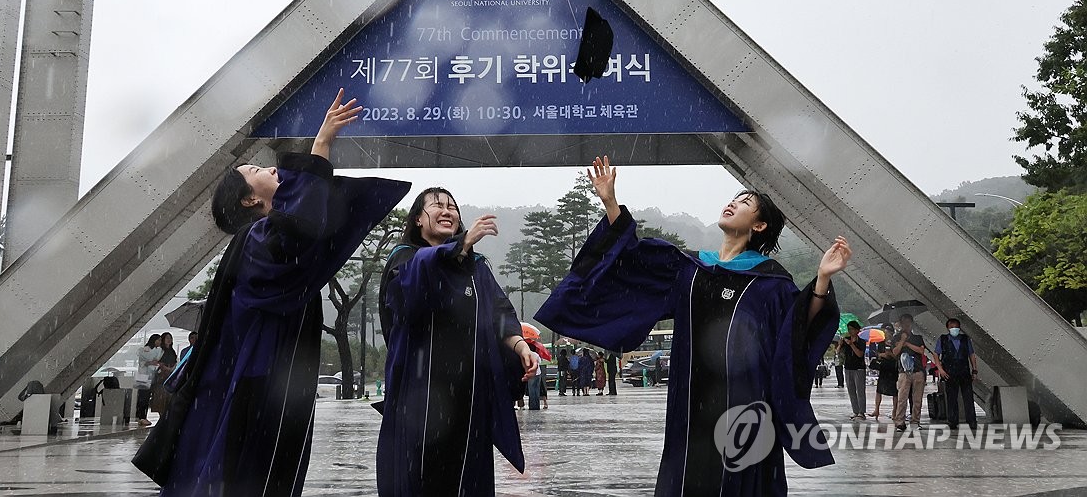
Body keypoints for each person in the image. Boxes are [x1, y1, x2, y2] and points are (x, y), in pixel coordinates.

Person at [138, 90, 410, 497]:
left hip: (274, 385)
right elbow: (301, 227)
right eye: (255, 170)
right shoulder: (257, 241)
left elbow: (309, 225)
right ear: (250, 199)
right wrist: (320, 147)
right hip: (259, 386)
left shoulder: (266, 241)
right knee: (251, 477)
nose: (268, 168)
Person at [536, 156, 848, 496]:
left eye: (745, 203)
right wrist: (610, 202)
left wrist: (821, 280)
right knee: (688, 479)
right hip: (691, 404)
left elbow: (798, 327)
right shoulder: (690, 268)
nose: (732, 203)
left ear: (759, 226)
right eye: (733, 199)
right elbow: (634, 261)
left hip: (745, 405)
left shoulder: (769, 282)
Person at [376, 187, 538, 497]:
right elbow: (410, 292)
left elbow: (498, 313)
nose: (448, 211)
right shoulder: (404, 260)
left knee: (467, 480)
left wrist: (520, 347)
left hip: (468, 397)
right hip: (419, 395)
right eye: (437, 206)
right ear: (418, 220)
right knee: (417, 479)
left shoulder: (475, 269)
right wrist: (459, 247)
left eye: (452, 207)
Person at [891, 313, 945, 432]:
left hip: (918, 371)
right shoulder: (896, 337)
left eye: (908, 322)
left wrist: (907, 344)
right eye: (904, 322)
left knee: (917, 399)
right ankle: (900, 421)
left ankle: (915, 421)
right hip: (903, 372)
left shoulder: (917, 338)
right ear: (900, 324)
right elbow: (895, 352)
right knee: (902, 398)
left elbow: (921, 350)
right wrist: (902, 340)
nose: (906, 325)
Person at [934, 317, 978, 429]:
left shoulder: (965, 339)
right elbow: (936, 354)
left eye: (956, 327)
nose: (954, 329)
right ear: (948, 328)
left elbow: (971, 354)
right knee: (951, 398)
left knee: (968, 397)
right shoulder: (943, 339)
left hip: (964, 371)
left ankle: (971, 420)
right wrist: (940, 369)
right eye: (952, 327)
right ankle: (953, 421)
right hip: (949, 372)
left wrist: (974, 370)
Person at [838, 321, 867, 420]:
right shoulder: (846, 340)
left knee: (860, 390)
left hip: (859, 368)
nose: (850, 331)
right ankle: (855, 411)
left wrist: (851, 345)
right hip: (848, 368)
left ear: (857, 330)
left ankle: (861, 412)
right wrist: (840, 344)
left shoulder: (861, 341)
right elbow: (838, 352)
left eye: (852, 329)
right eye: (849, 329)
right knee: (851, 390)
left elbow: (860, 354)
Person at [135, 335, 163, 427]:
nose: (159, 342)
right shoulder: (145, 349)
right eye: (158, 340)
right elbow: (143, 362)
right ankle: (141, 416)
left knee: (146, 397)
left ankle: (143, 416)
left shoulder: (158, 350)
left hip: (150, 377)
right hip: (144, 376)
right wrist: (151, 362)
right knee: (143, 397)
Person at [869, 324, 897, 419]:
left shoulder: (895, 342)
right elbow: (878, 354)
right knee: (879, 390)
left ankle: (895, 411)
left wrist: (890, 354)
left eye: (888, 332)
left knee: (895, 391)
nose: (886, 334)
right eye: (885, 332)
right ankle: (876, 409)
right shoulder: (881, 343)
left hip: (893, 368)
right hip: (884, 367)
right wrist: (882, 355)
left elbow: (898, 356)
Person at [149, 332, 177, 416]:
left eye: (170, 338)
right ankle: (161, 414)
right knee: (161, 395)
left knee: (168, 396)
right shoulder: (160, 350)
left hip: (170, 374)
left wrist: (172, 368)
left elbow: (175, 361)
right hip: (161, 375)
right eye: (167, 338)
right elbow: (157, 362)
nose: (169, 340)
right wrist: (165, 368)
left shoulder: (172, 351)